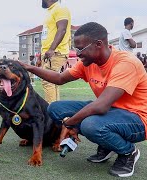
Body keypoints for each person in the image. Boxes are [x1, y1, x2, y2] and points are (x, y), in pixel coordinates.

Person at [20, 22, 147, 177]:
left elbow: (101, 106)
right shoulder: (88, 63)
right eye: (76, 48)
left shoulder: (126, 63)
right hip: (112, 111)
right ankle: (107, 145)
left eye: (80, 49)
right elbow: (60, 78)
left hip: (138, 118)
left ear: (99, 44)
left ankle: (128, 152)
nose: (77, 53)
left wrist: (71, 123)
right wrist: (29, 68)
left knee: (90, 125)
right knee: (54, 108)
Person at [39, 0, 71, 103]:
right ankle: (56, 111)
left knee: (48, 82)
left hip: (55, 52)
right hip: (49, 53)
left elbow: (62, 29)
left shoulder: (60, 8)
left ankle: (51, 112)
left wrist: (52, 49)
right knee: (52, 82)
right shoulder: (50, 11)